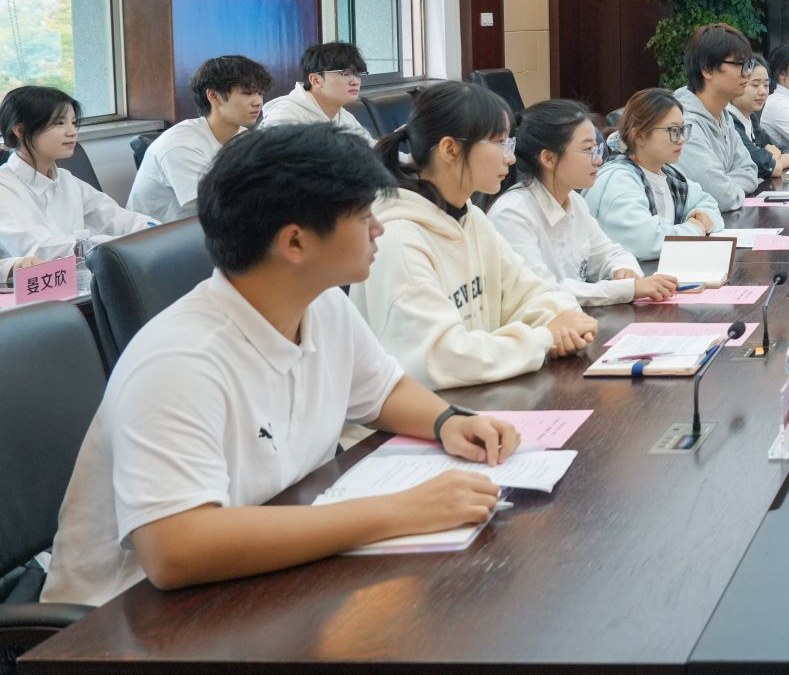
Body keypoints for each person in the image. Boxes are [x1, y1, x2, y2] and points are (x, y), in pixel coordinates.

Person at [41, 124, 522, 606]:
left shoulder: (321, 304)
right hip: (131, 616)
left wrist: (447, 422)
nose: (379, 229)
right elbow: (175, 548)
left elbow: (382, 392)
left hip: (261, 576)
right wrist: (401, 511)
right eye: (363, 216)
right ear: (294, 243)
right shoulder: (178, 362)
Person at [351, 81, 595, 390]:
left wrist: (562, 318)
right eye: (500, 142)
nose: (510, 158)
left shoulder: (471, 217)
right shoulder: (398, 238)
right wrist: (544, 337)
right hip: (422, 412)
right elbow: (438, 359)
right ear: (450, 149)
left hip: (476, 394)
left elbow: (528, 291)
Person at [487, 99, 680, 307]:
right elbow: (542, 290)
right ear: (549, 158)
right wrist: (628, 289)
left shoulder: (574, 200)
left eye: (597, 149)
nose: (598, 160)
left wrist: (623, 270)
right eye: (588, 149)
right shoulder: (512, 213)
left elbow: (610, 253)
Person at [0, 86, 153, 262]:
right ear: (20, 130)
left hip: (80, 275)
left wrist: (157, 232)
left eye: (73, 123)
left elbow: (116, 218)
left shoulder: (65, 179)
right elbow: (38, 249)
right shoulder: (4, 187)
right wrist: (108, 245)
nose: (72, 132)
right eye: (59, 123)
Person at [128, 55, 272, 222]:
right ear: (214, 96)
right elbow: (221, 208)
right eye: (247, 93)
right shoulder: (181, 146)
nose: (258, 102)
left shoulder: (243, 137)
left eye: (260, 93)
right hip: (159, 236)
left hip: (211, 229)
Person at [588, 88, 723, 261]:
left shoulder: (670, 175)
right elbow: (645, 241)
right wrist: (695, 229)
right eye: (673, 130)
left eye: (683, 129)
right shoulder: (618, 179)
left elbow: (707, 203)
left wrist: (702, 215)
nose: (681, 139)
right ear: (639, 136)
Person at [675, 23, 765, 212]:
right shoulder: (682, 123)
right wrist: (725, 186)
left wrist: (725, 183)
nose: (747, 73)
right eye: (739, 65)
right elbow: (722, 197)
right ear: (707, 69)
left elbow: (750, 170)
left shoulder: (724, 116)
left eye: (748, 65)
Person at [262, 42, 373, 141]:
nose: (355, 82)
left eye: (357, 74)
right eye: (346, 73)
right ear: (315, 80)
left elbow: (372, 150)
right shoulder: (286, 116)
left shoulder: (344, 116)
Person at [731, 56, 789, 179]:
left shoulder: (752, 118)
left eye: (766, 85)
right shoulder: (731, 122)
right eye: (755, 85)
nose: (763, 91)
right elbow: (767, 166)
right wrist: (773, 158)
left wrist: (773, 161)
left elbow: (788, 154)